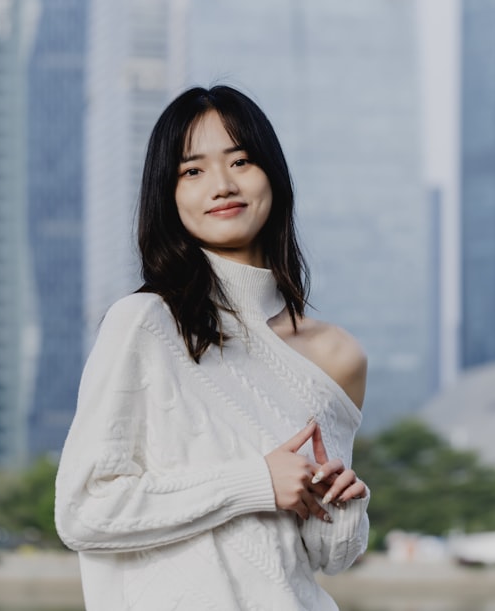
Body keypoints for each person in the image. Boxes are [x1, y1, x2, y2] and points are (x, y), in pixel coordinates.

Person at [55, 85, 370, 610]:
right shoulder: (143, 324)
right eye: (192, 170)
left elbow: (326, 557)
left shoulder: (336, 354)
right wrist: (255, 482)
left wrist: (341, 504)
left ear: (272, 175)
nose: (222, 185)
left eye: (241, 161)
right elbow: (83, 510)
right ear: (169, 195)